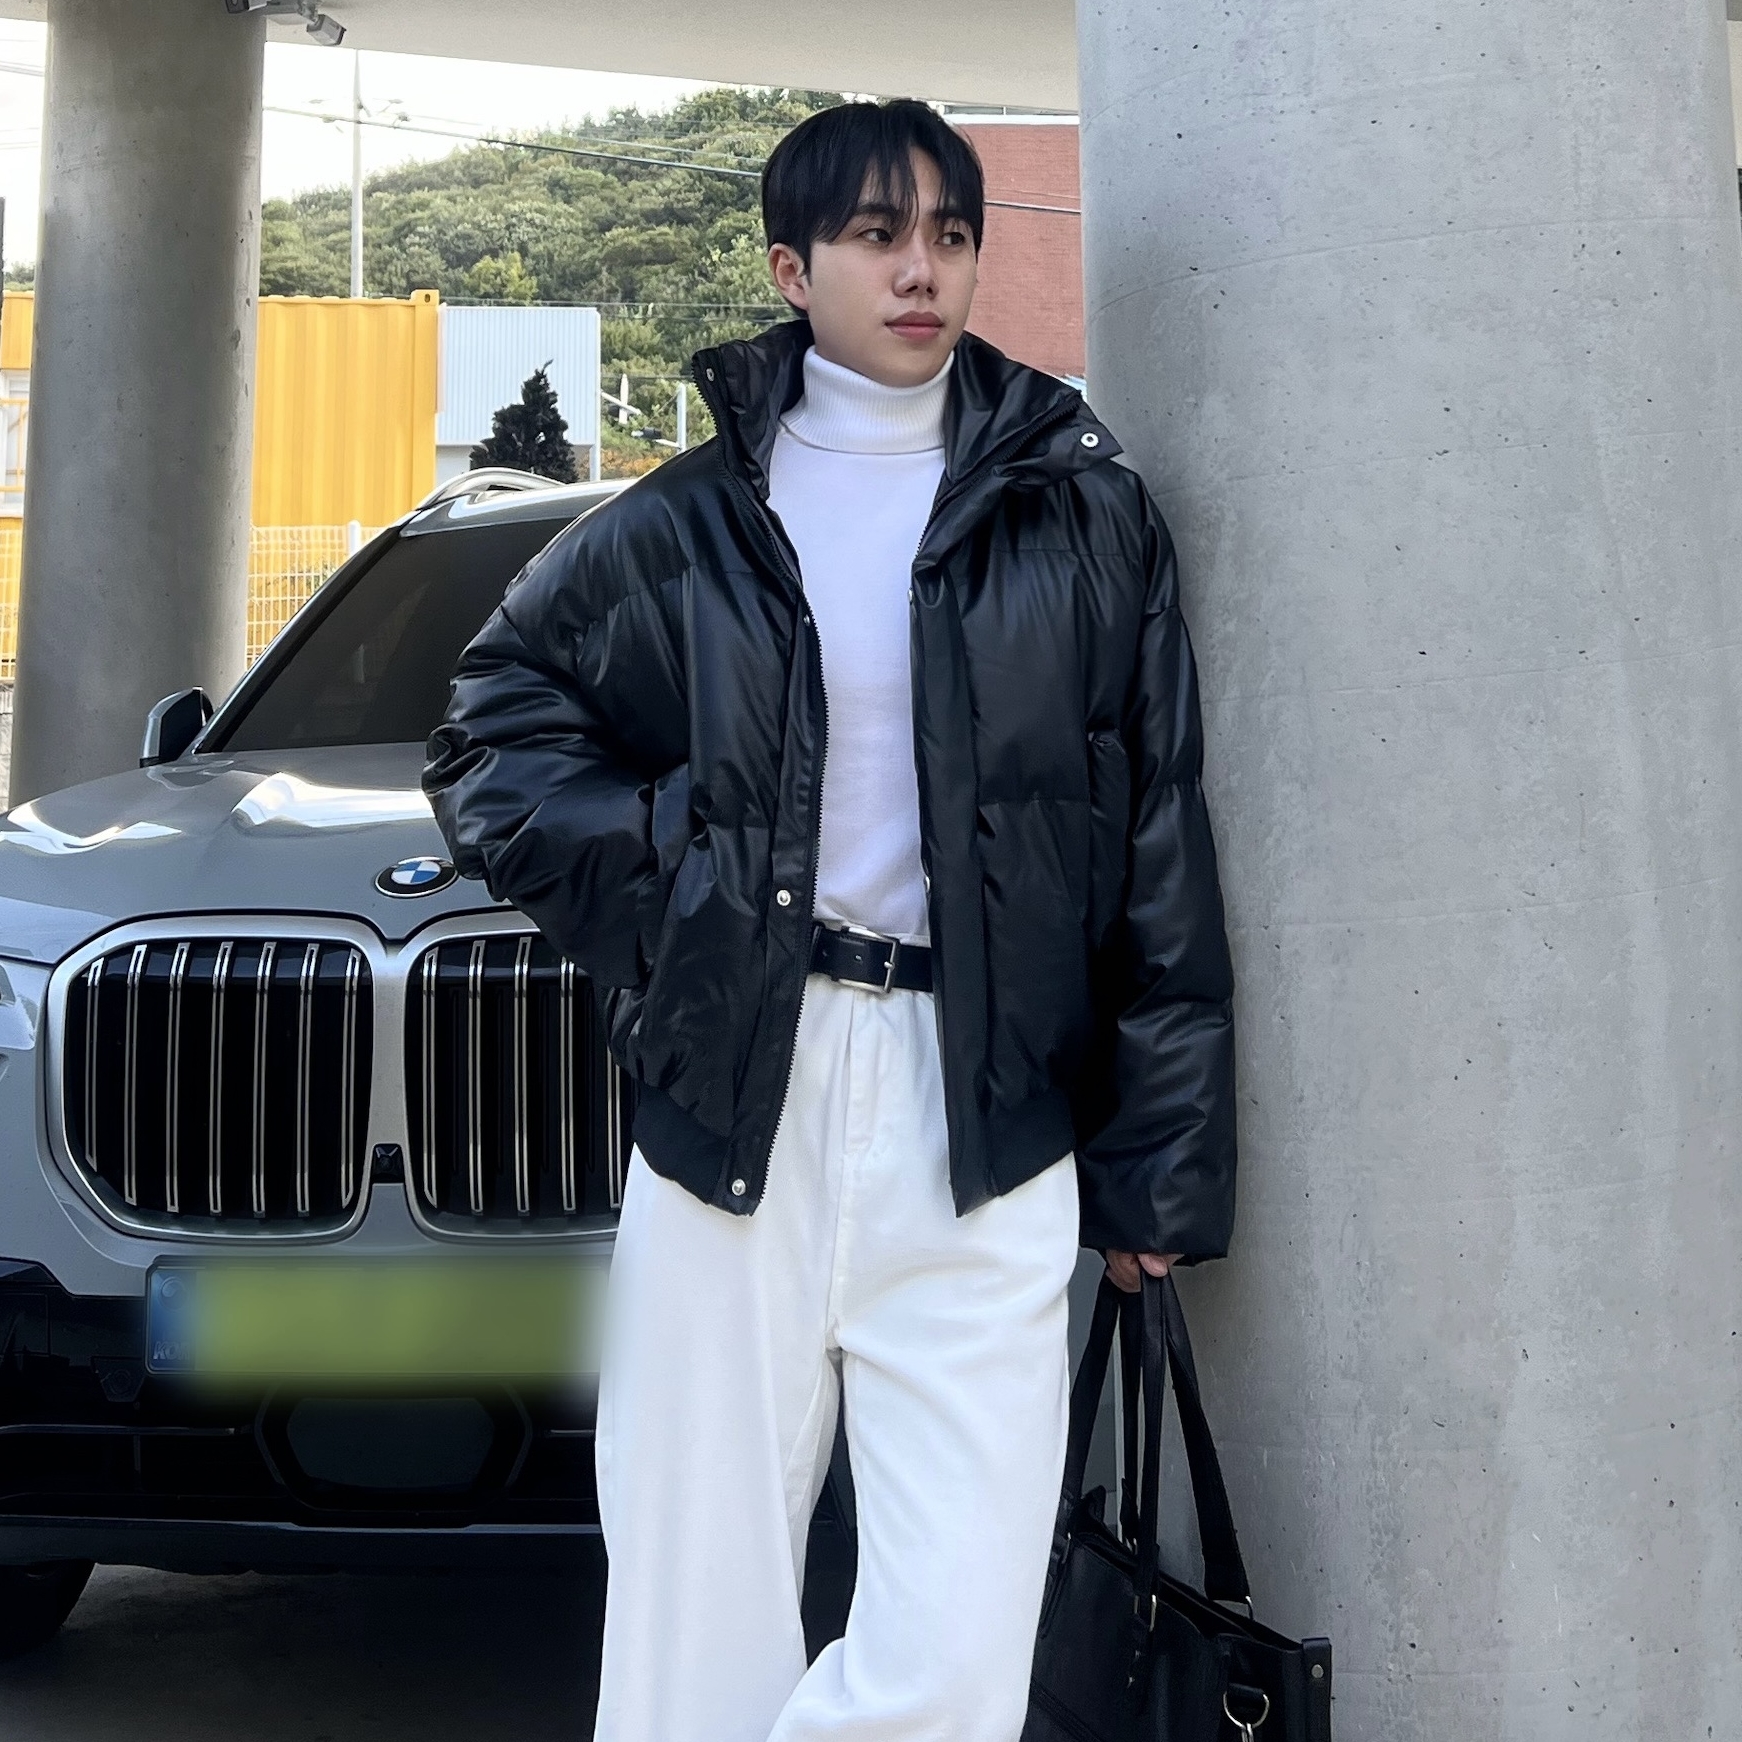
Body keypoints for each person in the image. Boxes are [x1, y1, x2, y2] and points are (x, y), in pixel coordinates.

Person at [423, 98, 1236, 1742]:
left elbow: (1155, 831)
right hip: (741, 1083)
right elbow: (492, 729)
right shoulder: (688, 521)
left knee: (958, 1641)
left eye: (948, 233)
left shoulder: (1081, 515)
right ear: (793, 269)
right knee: (694, 1609)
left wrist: (1156, 1163)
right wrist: (679, 875)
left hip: (987, 1105)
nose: (919, 269)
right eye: (875, 236)